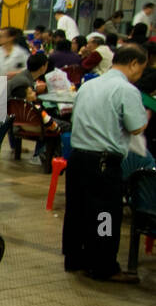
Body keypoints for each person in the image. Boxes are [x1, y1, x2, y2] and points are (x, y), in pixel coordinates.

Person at [63, 44, 149, 282]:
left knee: (77, 211)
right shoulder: (126, 90)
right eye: (140, 70)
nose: (139, 75)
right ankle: (103, 266)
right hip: (103, 162)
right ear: (133, 63)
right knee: (105, 215)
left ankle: (75, 259)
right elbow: (136, 126)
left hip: (78, 158)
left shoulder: (88, 85)